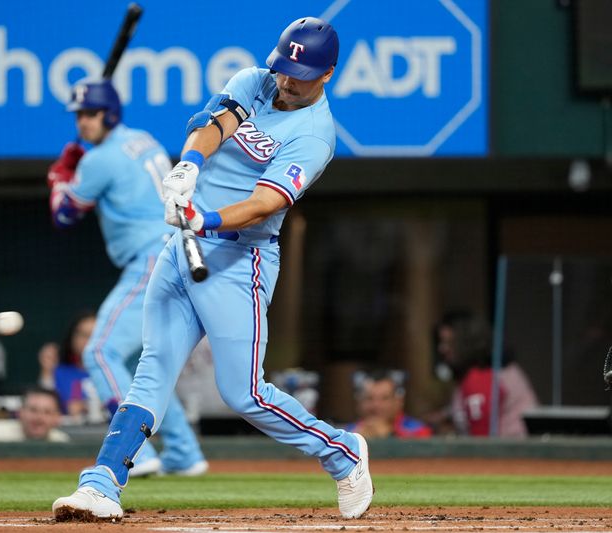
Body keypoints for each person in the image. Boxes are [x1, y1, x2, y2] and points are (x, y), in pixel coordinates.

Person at [52, 17, 373, 522]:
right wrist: (189, 168)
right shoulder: (256, 79)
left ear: (327, 73)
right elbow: (215, 125)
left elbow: (265, 203)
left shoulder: (316, 135)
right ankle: (101, 484)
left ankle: (343, 453)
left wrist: (207, 218)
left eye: (300, 73)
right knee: (151, 369)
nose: (287, 80)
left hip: (239, 261)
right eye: (284, 67)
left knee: (244, 394)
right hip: (182, 248)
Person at [46, 77, 207, 477]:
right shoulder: (142, 138)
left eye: (90, 114)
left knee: (98, 352)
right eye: (79, 115)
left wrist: (61, 176)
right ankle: (184, 453)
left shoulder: (99, 159)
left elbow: (64, 215)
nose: (83, 122)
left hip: (153, 256)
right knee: (142, 366)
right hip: (181, 249)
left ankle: (136, 452)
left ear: (110, 113)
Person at [436, 310, 538, 437]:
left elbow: (481, 440)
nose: (442, 349)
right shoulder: (486, 371)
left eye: (449, 343)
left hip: (508, 454)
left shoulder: (481, 377)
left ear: (468, 342)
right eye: (442, 342)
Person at [346, 369, 432, 439]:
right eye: (369, 398)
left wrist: (390, 436)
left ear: (399, 401)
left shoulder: (419, 431)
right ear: (359, 402)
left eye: (385, 398)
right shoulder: (348, 433)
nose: (376, 405)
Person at [0, 387, 69, 442]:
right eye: (33, 410)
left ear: (57, 418)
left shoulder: (62, 442)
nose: (39, 418)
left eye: (47, 412)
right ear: (20, 413)